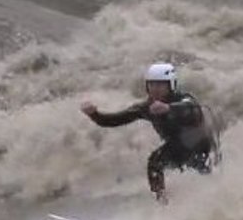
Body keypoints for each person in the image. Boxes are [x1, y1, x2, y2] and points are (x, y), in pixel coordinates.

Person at [81, 62, 218, 203]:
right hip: (177, 148)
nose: (155, 89)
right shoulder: (147, 107)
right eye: (151, 85)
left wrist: (168, 108)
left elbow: (191, 108)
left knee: (205, 177)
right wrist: (94, 114)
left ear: (171, 85)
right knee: (155, 162)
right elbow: (114, 120)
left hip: (202, 146)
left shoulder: (184, 99)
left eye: (160, 85)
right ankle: (162, 201)